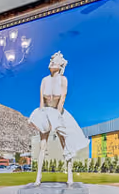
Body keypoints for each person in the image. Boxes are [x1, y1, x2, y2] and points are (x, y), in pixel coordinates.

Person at [28, 51, 90, 186]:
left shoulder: (63, 80)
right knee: (42, 145)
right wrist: (41, 116)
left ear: (60, 65)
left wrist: (56, 118)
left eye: (54, 62)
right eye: (51, 61)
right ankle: (38, 178)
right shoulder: (44, 80)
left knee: (65, 143)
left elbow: (62, 100)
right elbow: (41, 102)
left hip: (58, 113)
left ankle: (70, 177)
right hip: (45, 112)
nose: (51, 63)